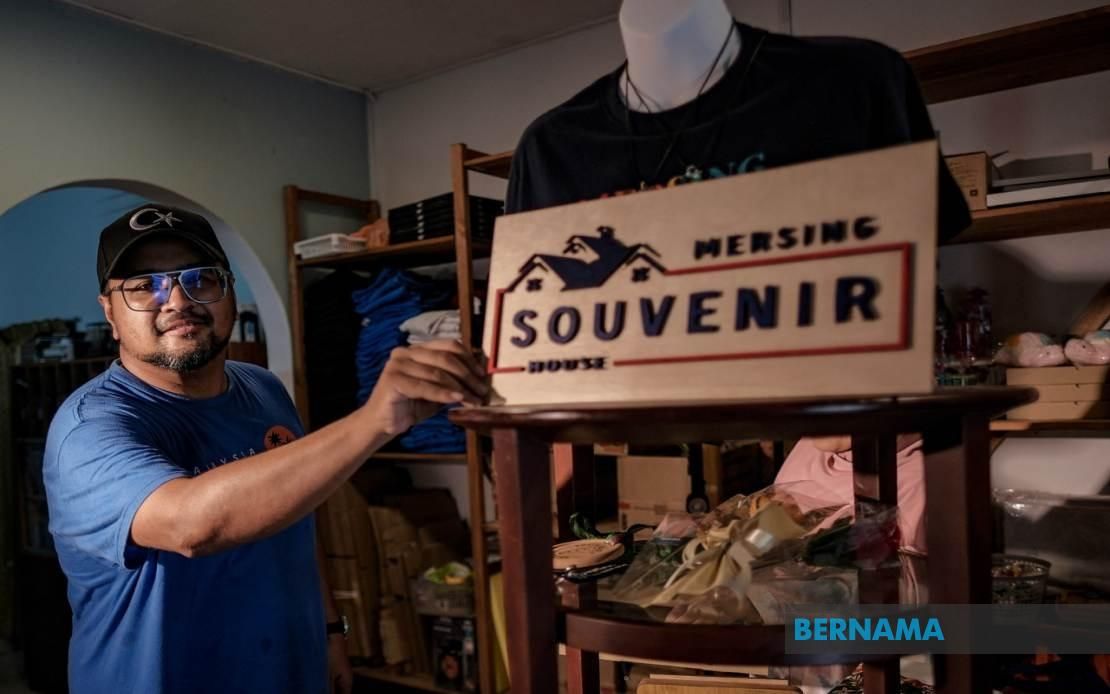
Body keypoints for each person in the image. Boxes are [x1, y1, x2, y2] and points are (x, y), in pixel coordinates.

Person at [43, 204, 488, 694]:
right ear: (110, 311)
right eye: (145, 286)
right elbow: (190, 525)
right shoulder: (89, 428)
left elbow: (298, 511)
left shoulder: (263, 388)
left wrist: (330, 630)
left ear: (230, 291)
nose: (177, 300)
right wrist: (373, 421)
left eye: (201, 278)